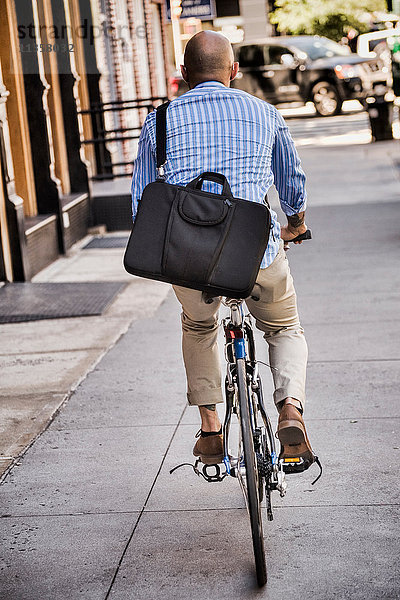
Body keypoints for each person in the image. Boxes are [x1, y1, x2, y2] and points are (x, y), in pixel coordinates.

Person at [131, 31, 314, 467]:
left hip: (189, 259)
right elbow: (292, 184)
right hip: (256, 253)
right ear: (234, 71)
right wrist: (296, 224)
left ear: (183, 75)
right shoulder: (264, 114)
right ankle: (290, 408)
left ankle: (211, 429)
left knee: (198, 327)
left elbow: (141, 201)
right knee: (284, 328)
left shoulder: (159, 121)